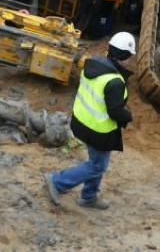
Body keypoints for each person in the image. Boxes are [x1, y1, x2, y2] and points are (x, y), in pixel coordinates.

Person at [44, 32, 136, 210]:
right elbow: (116, 112)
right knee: (97, 166)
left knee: (97, 162)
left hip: (80, 122)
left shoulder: (92, 64)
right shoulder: (115, 81)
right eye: (129, 57)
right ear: (124, 57)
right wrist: (128, 116)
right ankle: (57, 181)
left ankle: (89, 196)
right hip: (98, 131)